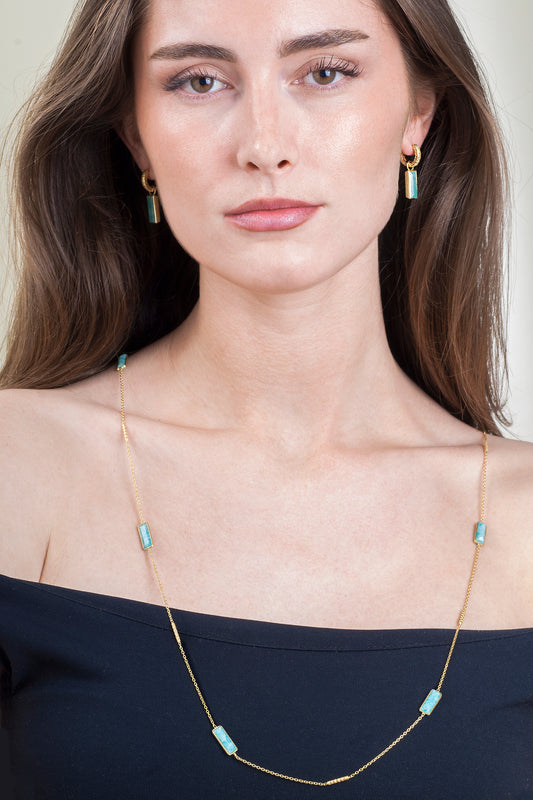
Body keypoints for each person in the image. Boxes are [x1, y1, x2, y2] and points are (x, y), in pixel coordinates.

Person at [0, 0, 531, 797]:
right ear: (136, 136)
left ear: (417, 114)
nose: (263, 146)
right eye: (199, 81)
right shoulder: (20, 468)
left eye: (325, 72)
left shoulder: (522, 520)